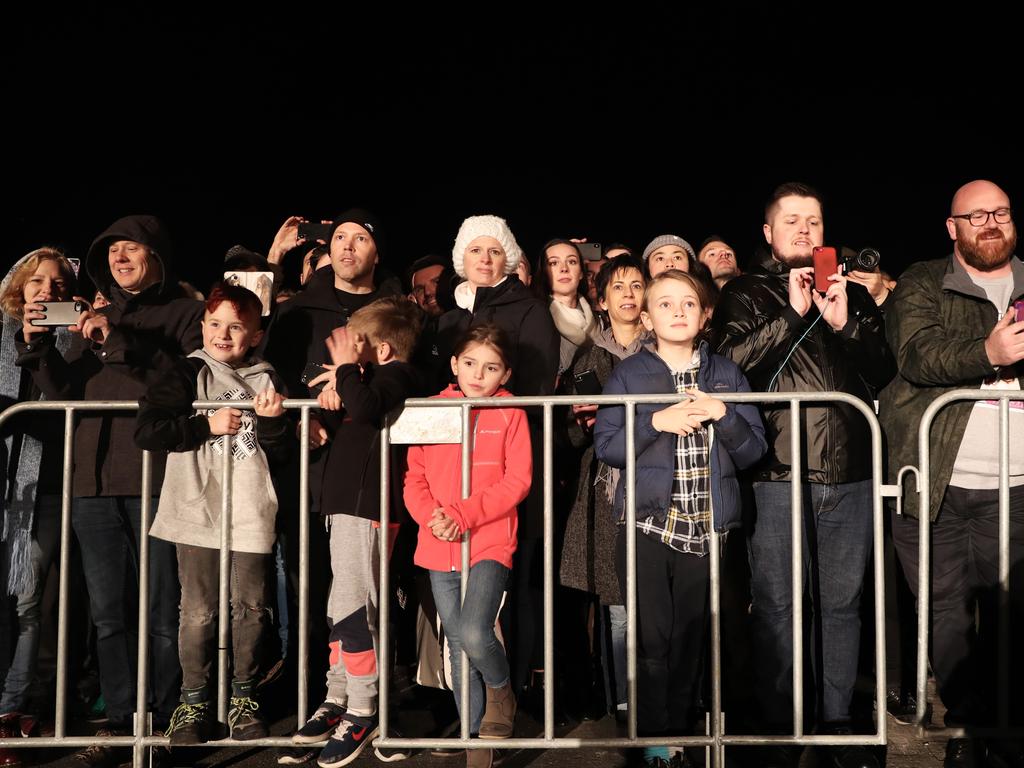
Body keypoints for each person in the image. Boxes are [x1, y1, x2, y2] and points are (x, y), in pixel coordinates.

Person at [711, 183, 894, 768]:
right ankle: (780, 724)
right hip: (776, 470)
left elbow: (884, 371)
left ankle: (837, 722)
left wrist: (845, 323)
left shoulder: (850, 292)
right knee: (778, 605)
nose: (805, 231)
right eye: (792, 221)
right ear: (768, 233)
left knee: (842, 604)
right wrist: (791, 316)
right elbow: (729, 366)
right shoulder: (744, 292)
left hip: (851, 472)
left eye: (813, 221)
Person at [15, 215, 203, 764]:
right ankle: (121, 721)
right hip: (90, 481)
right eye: (114, 250)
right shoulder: (85, 310)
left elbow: (183, 380)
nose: (121, 258)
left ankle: (169, 719)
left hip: (157, 475)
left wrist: (116, 339)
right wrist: (38, 349)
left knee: (163, 606)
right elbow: (65, 389)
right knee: (107, 612)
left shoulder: (185, 314)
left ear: (157, 257)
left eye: (133, 249)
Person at [594, 269, 766, 768]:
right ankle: (654, 738)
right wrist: (655, 422)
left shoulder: (727, 374)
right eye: (665, 304)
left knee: (691, 636)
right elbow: (606, 445)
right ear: (647, 317)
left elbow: (753, 448)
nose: (677, 311)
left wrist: (724, 414)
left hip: (706, 525)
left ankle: (679, 734)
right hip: (649, 525)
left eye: (688, 303)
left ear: (704, 314)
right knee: (653, 636)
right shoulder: (629, 374)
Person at [880, 179, 1024, 768]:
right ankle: (967, 727)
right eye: (976, 215)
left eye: (1001, 213)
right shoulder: (921, 281)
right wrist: (988, 352)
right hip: (937, 483)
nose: (991, 224)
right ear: (952, 227)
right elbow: (916, 354)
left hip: (1016, 488)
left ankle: (1007, 728)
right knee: (944, 615)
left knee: (1014, 615)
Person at [134, 284, 292, 744]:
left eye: (237, 326)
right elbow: (149, 430)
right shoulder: (187, 372)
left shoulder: (267, 378)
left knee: (252, 607)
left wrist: (277, 423)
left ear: (256, 334)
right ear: (203, 326)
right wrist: (206, 424)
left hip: (250, 503)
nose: (225, 334)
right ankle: (194, 701)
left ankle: (243, 697)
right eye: (216, 323)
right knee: (199, 609)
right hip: (197, 502)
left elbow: (280, 452)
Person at [291, 296, 424, 767]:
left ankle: (364, 708)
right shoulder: (363, 378)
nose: (345, 349)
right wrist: (327, 398)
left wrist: (347, 374)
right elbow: (350, 413)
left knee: (354, 607)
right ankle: (338, 697)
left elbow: (367, 409)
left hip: (369, 509)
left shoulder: (398, 375)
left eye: (355, 342)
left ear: (382, 350)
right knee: (338, 606)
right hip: (342, 507)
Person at [404, 324, 532, 768]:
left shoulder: (511, 411)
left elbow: (518, 480)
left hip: (490, 541)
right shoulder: (431, 410)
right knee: (457, 642)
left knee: (477, 632)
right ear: (455, 364)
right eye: (471, 363)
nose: (479, 374)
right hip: (438, 543)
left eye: (491, 367)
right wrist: (433, 519)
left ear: (506, 374)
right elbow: (414, 478)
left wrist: (463, 515)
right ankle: (474, 735)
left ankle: (500, 692)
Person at [559, 254, 646, 723]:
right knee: (615, 602)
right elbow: (571, 438)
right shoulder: (587, 356)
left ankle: (658, 696)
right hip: (605, 488)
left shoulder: (665, 345)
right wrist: (580, 421)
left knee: (654, 598)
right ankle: (622, 701)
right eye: (618, 287)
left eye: (636, 285)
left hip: (660, 482)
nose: (629, 294)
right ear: (603, 298)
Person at [0, 249, 77, 744]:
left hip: (42, 490)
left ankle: (9, 712)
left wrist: (43, 347)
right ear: (19, 287)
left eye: (57, 283)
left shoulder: (75, 342)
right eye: (38, 282)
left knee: (26, 601)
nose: (47, 290)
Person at [533, 239, 597, 384]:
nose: (564, 268)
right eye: (554, 263)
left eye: (572, 261)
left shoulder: (601, 320)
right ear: (543, 272)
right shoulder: (535, 318)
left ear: (581, 273)